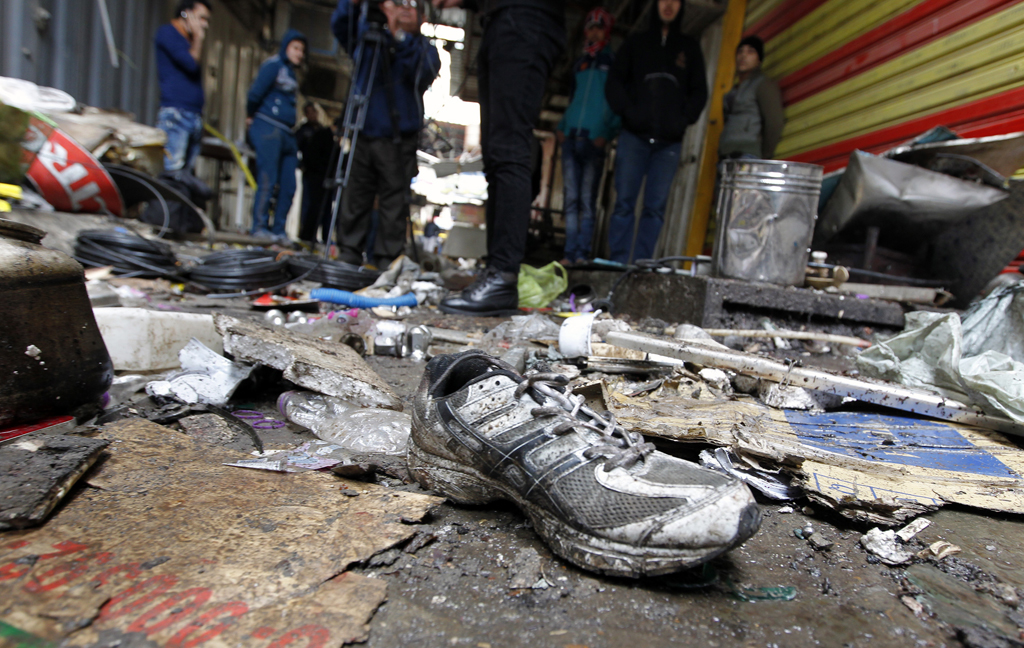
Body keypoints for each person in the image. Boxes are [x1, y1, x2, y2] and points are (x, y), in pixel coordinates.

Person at [435, 0, 565, 316]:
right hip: (500, 17)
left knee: (508, 147)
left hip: (525, 16)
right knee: (496, 154)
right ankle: (497, 272)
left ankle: (503, 276)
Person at [330, 0, 441, 268]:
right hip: (363, 132)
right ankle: (348, 254)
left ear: (424, 16)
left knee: (394, 203)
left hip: (398, 138)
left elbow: (423, 71)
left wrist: (397, 36)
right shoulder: (368, 37)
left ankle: (385, 261)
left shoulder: (425, 50)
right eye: (398, 2)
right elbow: (340, 26)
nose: (403, 7)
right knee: (354, 196)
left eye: (412, 5)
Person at [604, 0, 707, 264]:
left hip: (668, 143)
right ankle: (617, 263)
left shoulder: (689, 48)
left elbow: (699, 92)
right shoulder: (636, 43)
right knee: (624, 202)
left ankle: (641, 266)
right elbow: (614, 81)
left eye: (675, 0)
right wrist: (629, 111)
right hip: (633, 137)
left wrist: (682, 119)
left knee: (655, 208)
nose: (669, 5)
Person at [555, 7, 619, 266]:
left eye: (599, 27)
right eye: (590, 27)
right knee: (571, 199)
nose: (593, 32)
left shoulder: (612, 64)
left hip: (594, 140)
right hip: (571, 138)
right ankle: (569, 253)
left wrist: (606, 132)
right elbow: (573, 100)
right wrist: (561, 126)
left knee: (586, 200)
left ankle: (582, 253)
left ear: (607, 31)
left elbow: (616, 104)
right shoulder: (579, 63)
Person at [246, 30, 307, 240]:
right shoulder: (273, 66)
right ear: (286, 47)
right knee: (267, 179)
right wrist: (250, 116)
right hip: (268, 127)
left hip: (287, 134)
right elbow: (254, 94)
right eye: (296, 48)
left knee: (289, 184)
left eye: (302, 50)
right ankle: (259, 227)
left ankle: (278, 229)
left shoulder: (291, 73)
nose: (300, 54)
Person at [155, 0, 211, 174]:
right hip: (177, 116)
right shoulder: (168, 34)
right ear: (186, 14)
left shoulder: (188, 42)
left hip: (193, 116)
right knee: (172, 175)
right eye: (201, 18)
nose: (205, 25)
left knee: (185, 179)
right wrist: (198, 39)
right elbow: (190, 64)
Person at [718, 35, 785, 160]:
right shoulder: (733, 90)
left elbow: (774, 122)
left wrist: (765, 156)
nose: (743, 56)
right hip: (726, 156)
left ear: (759, 59)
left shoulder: (763, 84)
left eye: (750, 51)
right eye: (740, 51)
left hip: (747, 156)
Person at [296, 103, 336, 245]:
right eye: (309, 112)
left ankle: (317, 236)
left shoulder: (321, 130)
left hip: (322, 175)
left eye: (314, 112)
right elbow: (298, 147)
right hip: (311, 174)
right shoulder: (304, 130)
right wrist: (302, 165)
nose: (312, 115)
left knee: (322, 207)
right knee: (309, 204)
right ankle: (306, 235)